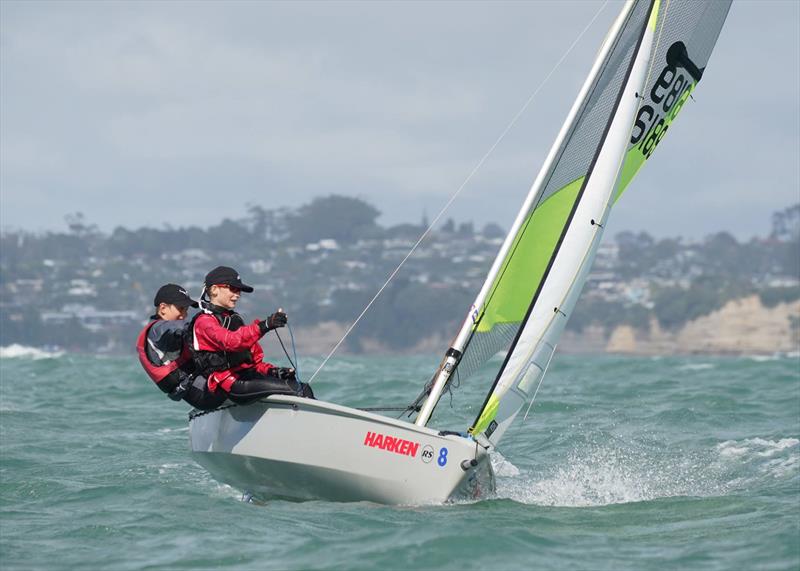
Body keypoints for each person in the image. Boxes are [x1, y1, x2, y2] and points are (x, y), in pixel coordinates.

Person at [190, 266, 314, 404]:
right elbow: (232, 341)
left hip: (246, 377)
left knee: (298, 384)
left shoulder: (234, 319)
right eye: (233, 288)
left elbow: (253, 362)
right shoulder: (204, 322)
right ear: (214, 290)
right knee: (299, 390)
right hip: (229, 384)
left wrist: (273, 372)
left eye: (239, 291)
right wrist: (265, 325)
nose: (237, 294)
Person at [135, 283, 227, 411]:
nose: (184, 315)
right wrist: (205, 323)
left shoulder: (167, 329)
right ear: (163, 309)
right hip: (203, 395)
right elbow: (178, 328)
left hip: (200, 387)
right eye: (181, 309)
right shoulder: (158, 329)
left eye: (186, 310)